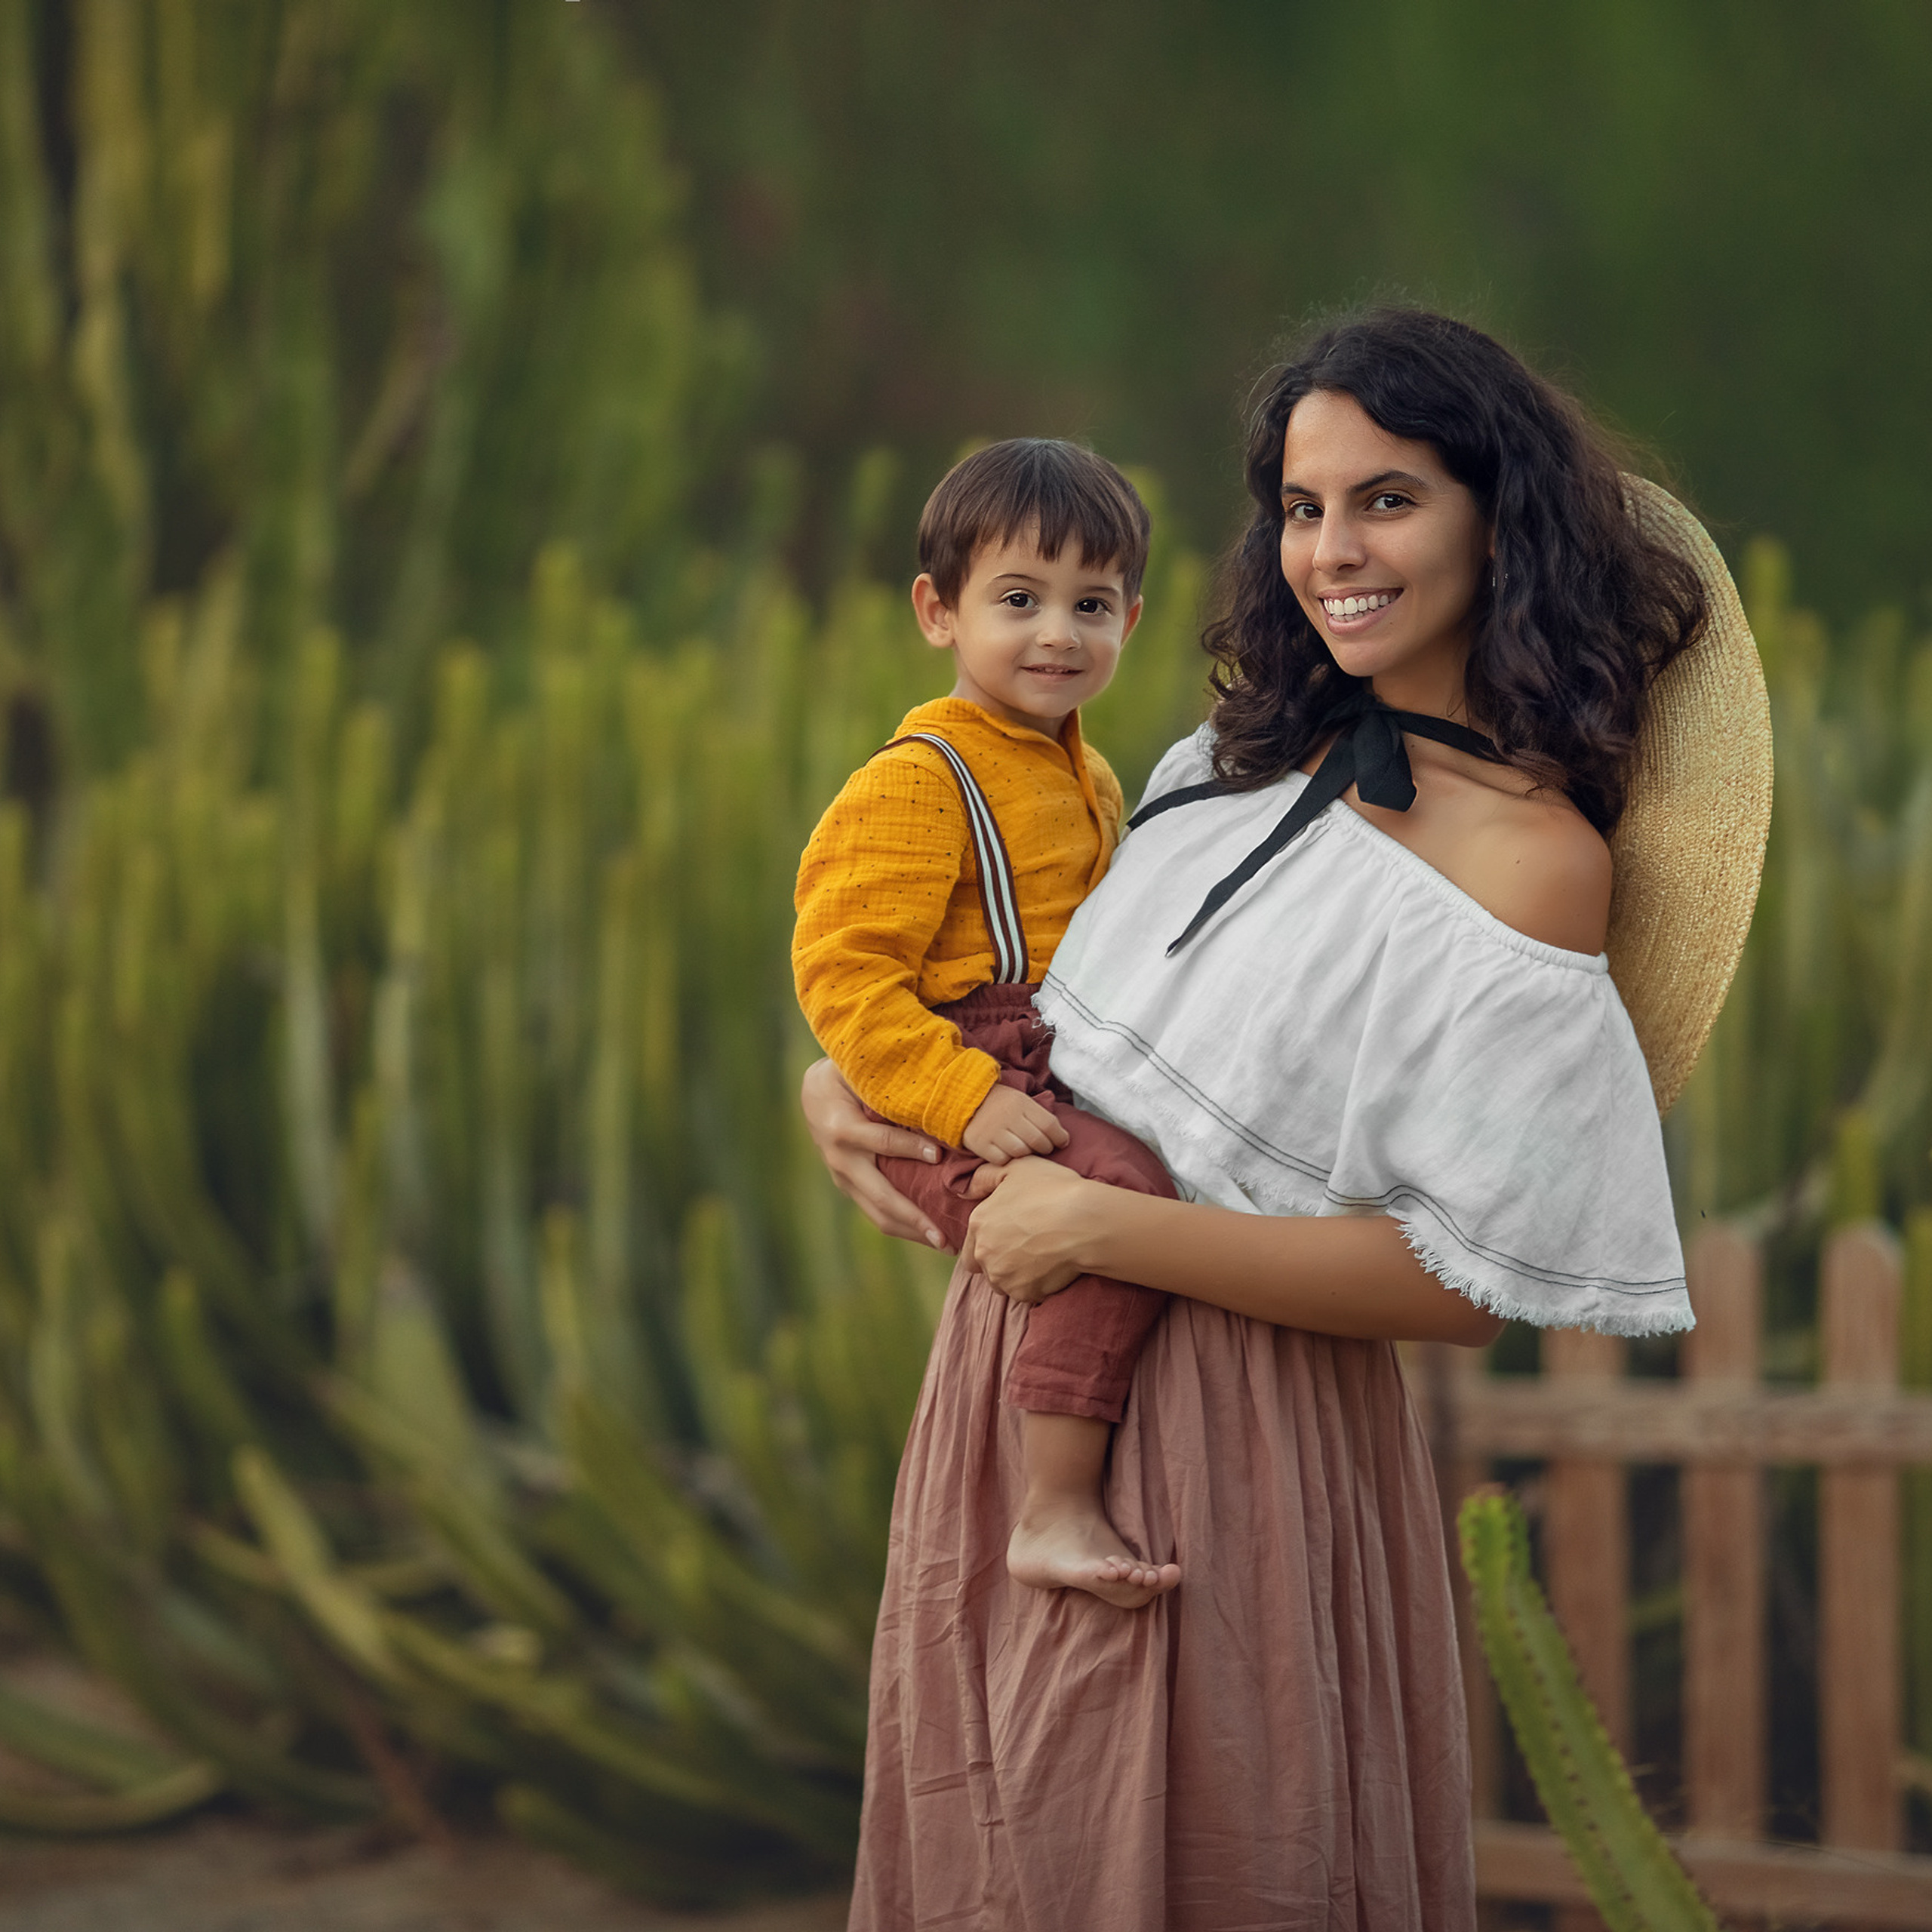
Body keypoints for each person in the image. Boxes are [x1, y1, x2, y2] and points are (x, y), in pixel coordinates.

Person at [805, 308, 1771, 1930]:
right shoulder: (1215, 758)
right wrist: (842, 1083)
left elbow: (1460, 1287)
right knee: (1003, 1863)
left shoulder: (1529, 860)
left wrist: (1110, 1227)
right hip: (1015, 1384)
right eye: (1302, 505)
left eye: (1384, 498)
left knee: (1201, 1866)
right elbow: (1049, 1025)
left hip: (1249, 1440)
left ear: (1496, 515)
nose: (1332, 547)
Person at [793, 438, 1185, 1610]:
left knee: (1139, 1184)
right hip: (960, 1068)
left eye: (1092, 604)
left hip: (1051, 1053)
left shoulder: (1094, 777)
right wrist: (965, 1098)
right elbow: (846, 976)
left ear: (1132, 618)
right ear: (938, 611)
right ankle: (1052, 1506)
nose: (1058, 632)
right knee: (1112, 1205)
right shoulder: (919, 779)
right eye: (1018, 600)